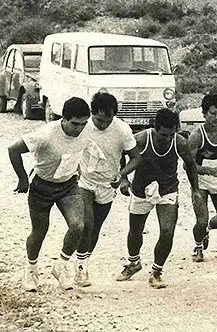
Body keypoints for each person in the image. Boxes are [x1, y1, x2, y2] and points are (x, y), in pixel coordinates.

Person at [9, 98, 90, 292]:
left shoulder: (88, 132)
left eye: (83, 124)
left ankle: (61, 266)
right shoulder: (45, 135)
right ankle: (31, 269)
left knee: (78, 225)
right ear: (64, 119)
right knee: (39, 231)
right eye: (74, 124)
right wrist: (21, 179)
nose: (79, 129)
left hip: (68, 185)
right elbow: (13, 149)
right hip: (42, 186)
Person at [116, 109, 199, 288]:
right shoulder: (141, 139)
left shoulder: (180, 142)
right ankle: (133, 262)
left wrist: (196, 189)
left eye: (171, 134)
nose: (168, 138)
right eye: (163, 134)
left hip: (167, 190)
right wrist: (124, 179)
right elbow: (122, 153)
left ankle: (156, 271)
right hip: (141, 189)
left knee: (167, 230)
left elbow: (190, 165)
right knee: (135, 231)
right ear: (155, 129)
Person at [74, 92, 138, 287]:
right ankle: (81, 268)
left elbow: (135, 157)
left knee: (95, 227)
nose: (103, 124)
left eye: (108, 120)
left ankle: (83, 259)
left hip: (108, 185)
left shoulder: (122, 130)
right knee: (87, 223)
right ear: (92, 114)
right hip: (84, 181)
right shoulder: (83, 127)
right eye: (99, 120)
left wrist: (123, 175)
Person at [188, 94, 217, 263]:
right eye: (212, 113)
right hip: (200, 180)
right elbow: (188, 165)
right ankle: (198, 246)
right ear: (204, 113)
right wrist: (208, 170)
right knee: (201, 220)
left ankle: (207, 229)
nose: (216, 117)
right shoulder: (197, 135)